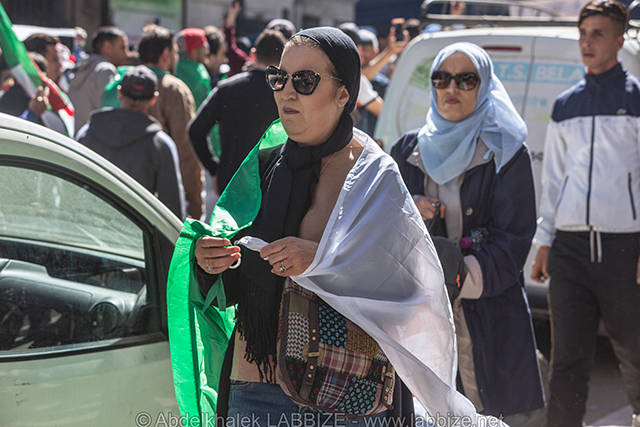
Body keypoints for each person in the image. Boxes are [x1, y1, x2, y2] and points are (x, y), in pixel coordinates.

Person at [169, 27, 491, 426]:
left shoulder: (374, 175)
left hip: (343, 397)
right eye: (279, 78)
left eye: (304, 81)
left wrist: (324, 261)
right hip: (253, 391)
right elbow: (236, 284)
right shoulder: (265, 165)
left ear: (343, 94)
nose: (287, 92)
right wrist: (211, 263)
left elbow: (410, 289)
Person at [390, 42, 544, 417]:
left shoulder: (506, 151)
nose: (451, 89)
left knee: (483, 412)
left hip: (487, 312)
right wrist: (409, 207)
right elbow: (381, 225)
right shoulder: (407, 149)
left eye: (466, 79)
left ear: (485, 85)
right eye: (441, 78)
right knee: (425, 412)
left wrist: (459, 277)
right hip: (418, 313)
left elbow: (514, 239)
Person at [530, 2, 640, 426]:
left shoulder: (635, 99)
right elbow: (554, 180)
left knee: (634, 353)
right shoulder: (566, 104)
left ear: (619, 40)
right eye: (583, 33)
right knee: (567, 360)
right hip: (570, 249)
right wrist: (545, 241)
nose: (587, 42)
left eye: (598, 33)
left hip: (624, 248)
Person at [76, 65, 185, 219]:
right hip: (137, 231)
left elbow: (72, 190)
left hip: (87, 227)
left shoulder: (86, 134)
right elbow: (172, 209)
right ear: (154, 99)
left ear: (119, 93)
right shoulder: (160, 145)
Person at [188, 28, 285, 195]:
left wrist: (214, 169)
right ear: (282, 60)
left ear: (253, 54)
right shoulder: (286, 94)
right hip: (271, 183)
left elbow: (195, 130)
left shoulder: (227, 88)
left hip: (231, 181)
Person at [136, 25, 205, 220]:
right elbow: (186, 150)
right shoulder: (173, 89)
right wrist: (195, 206)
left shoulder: (123, 82)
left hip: (125, 189)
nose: (176, 57)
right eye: (175, 52)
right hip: (162, 199)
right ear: (166, 54)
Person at [68, 26, 130, 134]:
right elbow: (110, 114)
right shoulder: (105, 70)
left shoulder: (81, 67)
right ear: (107, 47)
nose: (127, 54)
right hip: (97, 139)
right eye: (123, 47)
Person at [175, 28, 212, 108]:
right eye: (203, 43)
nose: (207, 47)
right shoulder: (199, 73)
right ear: (193, 53)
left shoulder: (171, 67)